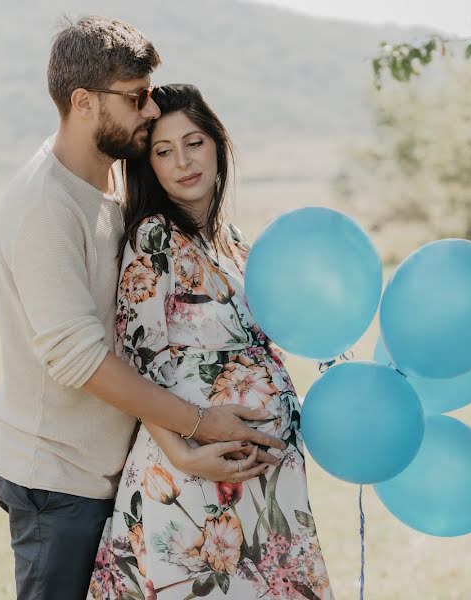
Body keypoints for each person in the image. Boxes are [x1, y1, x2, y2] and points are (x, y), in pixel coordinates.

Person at [0, 18, 282, 600]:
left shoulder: (109, 188)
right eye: (135, 96)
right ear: (83, 102)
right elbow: (82, 360)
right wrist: (196, 425)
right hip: (59, 478)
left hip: (110, 468)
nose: (150, 110)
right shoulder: (45, 204)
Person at [87, 84, 334, 600]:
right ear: (148, 166)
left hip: (264, 488)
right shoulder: (154, 237)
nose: (182, 161)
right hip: (193, 484)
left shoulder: (236, 243)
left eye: (194, 142)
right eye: (163, 151)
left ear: (218, 145)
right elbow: (136, 360)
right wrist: (183, 454)